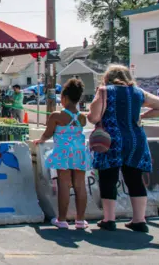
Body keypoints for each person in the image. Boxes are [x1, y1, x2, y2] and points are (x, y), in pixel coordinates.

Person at [88, 65, 159, 233]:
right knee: (135, 179)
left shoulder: (104, 91)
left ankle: (109, 219)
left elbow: (95, 117)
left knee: (108, 178)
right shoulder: (138, 93)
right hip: (136, 140)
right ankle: (139, 220)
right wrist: (143, 116)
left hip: (111, 141)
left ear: (107, 77)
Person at [35, 78, 91, 229]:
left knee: (64, 185)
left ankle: (62, 219)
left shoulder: (56, 116)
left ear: (64, 98)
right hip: (79, 153)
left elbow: (47, 133)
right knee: (80, 185)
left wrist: (40, 140)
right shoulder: (82, 117)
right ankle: (80, 220)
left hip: (63, 153)